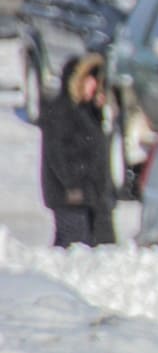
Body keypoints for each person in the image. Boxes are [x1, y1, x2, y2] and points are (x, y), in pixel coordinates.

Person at [39, 51, 117, 248]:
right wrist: (76, 186)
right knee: (74, 247)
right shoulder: (62, 111)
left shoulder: (90, 113)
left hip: (92, 198)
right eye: (91, 80)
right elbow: (59, 155)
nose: (95, 87)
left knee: (101, 247)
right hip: (71, 199)